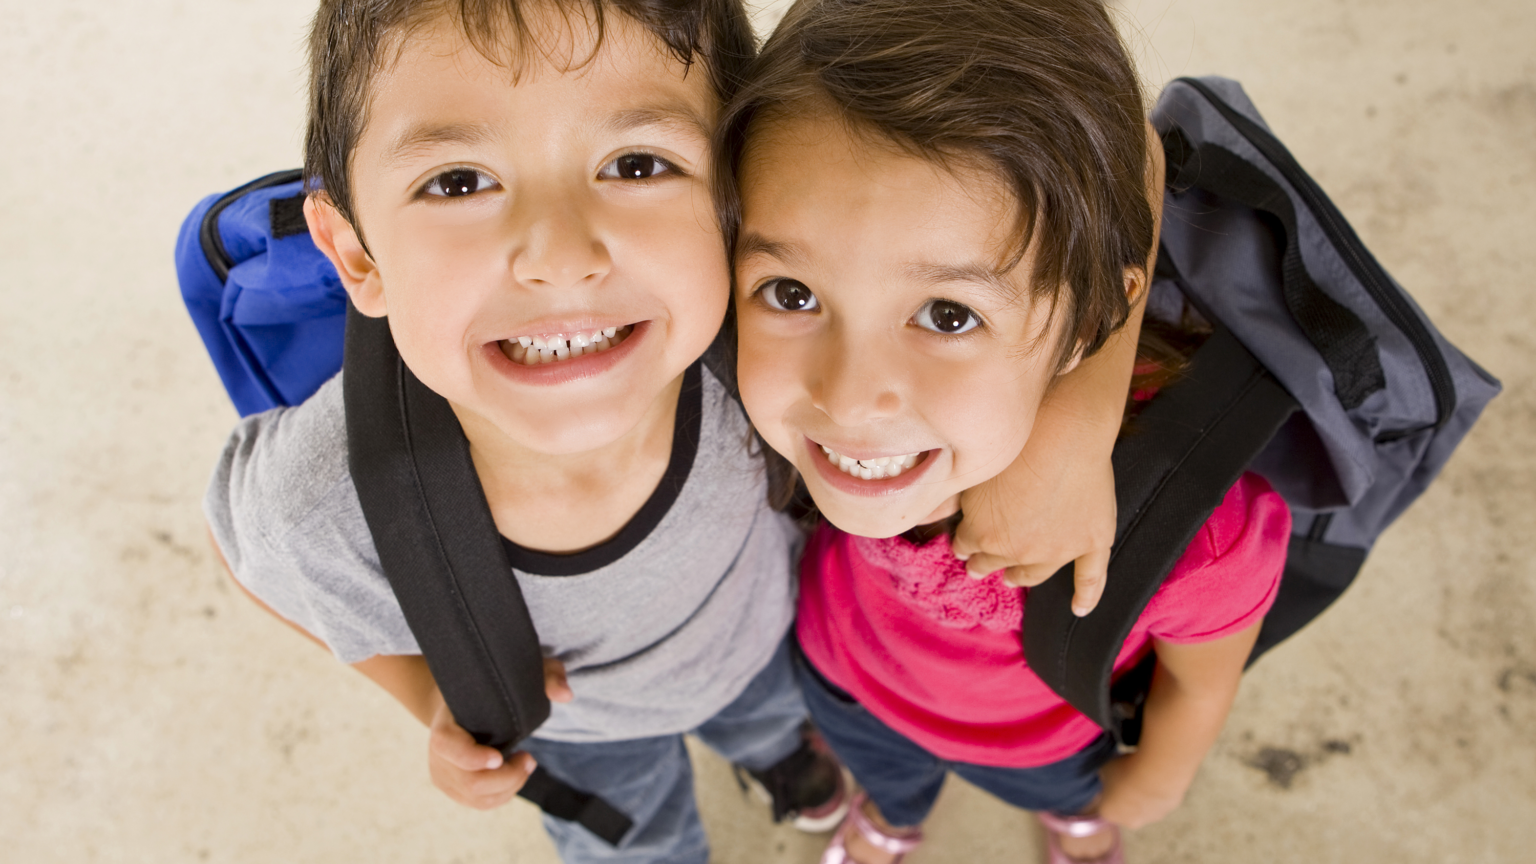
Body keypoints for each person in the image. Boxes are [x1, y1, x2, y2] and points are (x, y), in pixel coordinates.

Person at [203, 1, 1139, 862]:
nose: (562, 257)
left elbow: (1123, 141)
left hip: (763, 651)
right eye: (457, 181)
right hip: (579, 735)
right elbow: (256, 557)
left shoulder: (768, 341)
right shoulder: (326, 503)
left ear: (734, 195)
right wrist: (430, 695)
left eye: (638, 165)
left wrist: (1078, 414)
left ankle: (786, 765)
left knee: (775, 726)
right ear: (356, 253)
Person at [715, 0, 1293, 862]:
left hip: (1047, 745)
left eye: (948, 314)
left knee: (1074, 798)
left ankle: (1074, 823)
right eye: (792, 294)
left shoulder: (1191, 529)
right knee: (884, 773)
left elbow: (1198, 684)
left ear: (1097, 311)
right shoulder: (730, 352)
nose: (849, 397)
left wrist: (1160, 776)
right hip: (843, 675)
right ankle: (891, 815)